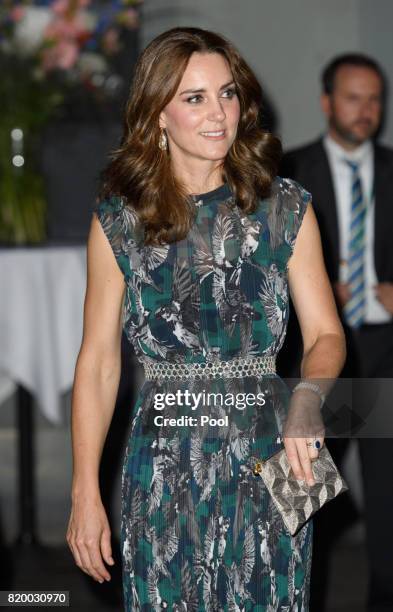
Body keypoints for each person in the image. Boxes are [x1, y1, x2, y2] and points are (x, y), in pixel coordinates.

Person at [66, 27, 345, 610]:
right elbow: (96, 363)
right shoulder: (119, 222)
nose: (219, 113)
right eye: (194, 98)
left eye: (227, 93)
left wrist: (310, 397)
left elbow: (325, 334)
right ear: (157, 115)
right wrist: (84, 489)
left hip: (272, 455)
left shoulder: (285, 207)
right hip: (164, 462)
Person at [280, 53, 393, 612]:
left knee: (391, 500)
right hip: (320, 355)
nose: (366, 110)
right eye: (354, 97)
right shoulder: (288, 174)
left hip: (386, 350)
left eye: (375, 99)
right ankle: (304, 598)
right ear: (327, 102)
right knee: (307, 497)